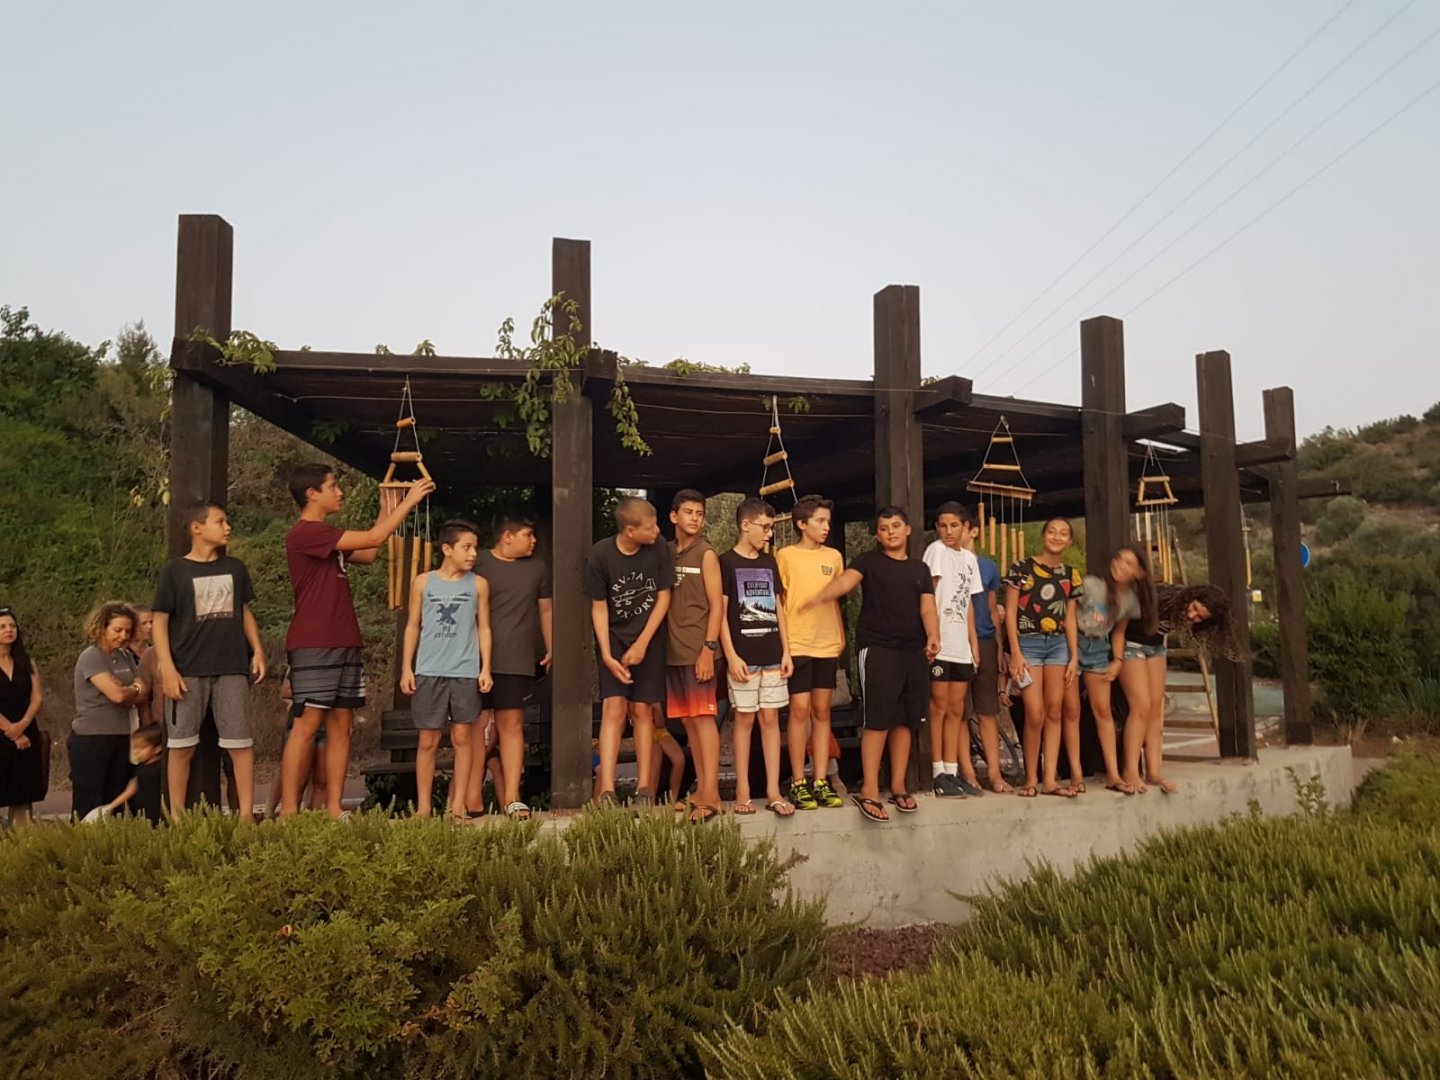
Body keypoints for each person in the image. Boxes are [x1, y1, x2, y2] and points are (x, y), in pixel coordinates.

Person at [280, 463, 435, 818]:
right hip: (314, 641)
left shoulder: (327, 536)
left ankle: (334, 808)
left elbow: (368, 552)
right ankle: (288, 811)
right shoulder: (306, 532)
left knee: (341, 725)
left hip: (344, 638)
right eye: (332, 486)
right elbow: (373, 539)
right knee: (307, 724)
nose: (340, 492)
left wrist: (386, 508)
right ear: (311, 494)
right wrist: (409, 501)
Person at [800, 507, 939, 823]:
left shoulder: (920, 569)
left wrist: (934, 634)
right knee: (877, 720)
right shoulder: (868, 561)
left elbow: (928, 609)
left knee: (905, 721)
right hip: (877, 649)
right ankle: (869, 790)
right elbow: (845, 582)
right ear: (878, 535)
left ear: (907, 530)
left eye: (896, 526)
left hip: (913, 651)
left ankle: (898, 786)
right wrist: (819, 597)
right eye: (884, 528)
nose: (891, 532)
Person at [152, 502, 266, 821]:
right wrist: (168, 668)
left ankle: (245, 816)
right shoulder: (174, 570)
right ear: (197, 528)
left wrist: (257, 650)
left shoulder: (235, 568)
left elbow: (244, 611)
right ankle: (177, 819)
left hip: (232, 667)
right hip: (187, 670)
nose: (228, 527)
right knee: (182, 745)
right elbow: (160, 620)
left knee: (239, 742)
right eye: (220, 521)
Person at [400, 519, 493, 819]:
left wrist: (486, 668)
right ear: (447, 549)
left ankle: (458, 806)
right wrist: (407, 667)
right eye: (466, 547)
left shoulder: (478, 584)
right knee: (428, 740)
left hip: (465, 670)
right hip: (429, 669)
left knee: (463, 738)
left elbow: (484, 627)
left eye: (475, 548)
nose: (472, 554)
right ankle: (424, 808)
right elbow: (412, 625)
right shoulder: (422, 582)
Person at [585, 496, 673, 807]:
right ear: (630, 531)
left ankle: (644, 788)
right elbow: (598, 607)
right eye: (650, 527)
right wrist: (607, 655)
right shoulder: (600, 555)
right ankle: (607, 789)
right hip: (613, 639)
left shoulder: (659, 548)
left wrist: (642, 644)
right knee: (614, 708)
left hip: (649, 638)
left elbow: (664, 597)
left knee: (642, 710)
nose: (657, 531)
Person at [1117, 577, 1235, 795]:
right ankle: (1130, 770)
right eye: (1194, 608)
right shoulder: (1163, 597)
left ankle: (1154, 770)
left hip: (1155, 647)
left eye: (1199, 617)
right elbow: (1121, 614)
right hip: (1131, 643)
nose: (1192, 616)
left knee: (1155, 708)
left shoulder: (1192, 616)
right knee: (1140, 707)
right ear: (1193, 597)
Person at [471, 512, 551, 821]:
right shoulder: (477, 561)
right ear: (507, 537)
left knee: (512, 725)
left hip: (517, 657)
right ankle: (470, 796)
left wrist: (552, 646)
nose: (533, 541)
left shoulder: (537, 567)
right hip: (474, 658)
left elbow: (546, 609)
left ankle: (513, 798)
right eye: (527, 535)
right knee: (474, 726)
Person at [719, 498, 795, 817]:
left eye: (771, 528)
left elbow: (778, 608)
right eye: (764, 527)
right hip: (742, 657)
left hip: (773, 654)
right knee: (744, 719)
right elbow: (720, 613)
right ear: (745, 525)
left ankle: (774, 791)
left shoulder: (769, 563)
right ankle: (743, 791)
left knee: (771, 719)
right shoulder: (725, 562)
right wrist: (730, 655)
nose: (769, 534)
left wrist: (787, 650)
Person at [1005, 517, 1085, 799]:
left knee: (1054, 710)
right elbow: (1010, 612)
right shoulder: (1021, 568)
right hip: (1028, 644)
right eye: (1052, 531)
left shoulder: (1071, 575)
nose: (1056, 537)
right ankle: (1031, 778)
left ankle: (1050, 779)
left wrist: (1074, 657)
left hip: (1059, 645)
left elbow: (1071, 619)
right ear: (1043, 536)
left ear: (1069, 541)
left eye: (1063, 533)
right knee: (1035, 712)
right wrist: (1015, 652)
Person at [776, 494, 846, 810]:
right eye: (819, 521)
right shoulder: (785, 556)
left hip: (827, 643)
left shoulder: (834, 557)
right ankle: (797, 781)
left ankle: (820, 780)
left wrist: (840, 636)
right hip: (798, 642)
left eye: (827, 521)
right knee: (799, 710)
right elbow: (780, 603)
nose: (826, 527)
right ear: (802, 524)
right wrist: (784, 647)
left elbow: (835, 599)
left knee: (822, 712)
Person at [663, 490, 723, 823]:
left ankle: (711, 795)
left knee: (703, 720)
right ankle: (701, 790)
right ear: (674, 516)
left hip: (699, 650)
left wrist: (708, 649)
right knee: (688, 722)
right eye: (688, 512)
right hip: (673, 652)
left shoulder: (706, 553)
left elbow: (717, 606)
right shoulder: (667, 552)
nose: (695, 519)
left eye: (699, 513)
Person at [923, 502, 983, 798]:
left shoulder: (969, 559)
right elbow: (928, 595)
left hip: (960, 643)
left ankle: (952, 769)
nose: (948, 531)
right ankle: (937, 771)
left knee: (957, 708)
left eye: (954, 525)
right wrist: (931, 634)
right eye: (943, 526)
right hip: (940, 641)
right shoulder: (936, 551)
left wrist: (973, 643)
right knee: (939, 706)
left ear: (966, 527)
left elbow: (967, 601)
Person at [69, 602, 148, 821]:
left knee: (115, 803)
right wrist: (131, 690)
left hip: (123, 736)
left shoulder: (125, 656)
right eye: (117, 630)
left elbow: (143, 691)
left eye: (128, 631)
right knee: (89, 803)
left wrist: (129, 689)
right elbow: (117, 696)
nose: (123, 636)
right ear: (102, 628)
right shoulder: (91, 656)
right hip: (92, 738)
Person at [1076, 547, 1146, 795]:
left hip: (1098, 650)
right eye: (1118, 559)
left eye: (1128, 563)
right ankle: (1072, 774)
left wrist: (1117, 660)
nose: (1119, 565)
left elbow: (1118, 632)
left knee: (1103, 711)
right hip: (1074, 642)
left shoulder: (1130, 601)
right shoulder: (1090, 585)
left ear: (1139, 573)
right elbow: (1067, 613)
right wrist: (1071, 652)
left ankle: (1113, 774)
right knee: (1069, 710)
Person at [962, 512, 1012, 793]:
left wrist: (1000, 645)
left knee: (988, 709)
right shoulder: (943, 562)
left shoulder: (988, 566)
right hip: (956, 643)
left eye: (961, 526)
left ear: (974, 531)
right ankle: (968, 773)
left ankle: (994, 772)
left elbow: (993, 609)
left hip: (985, 639)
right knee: (959, 711)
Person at [0, 607, 46, 826]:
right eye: (2, 627)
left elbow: (37, 697)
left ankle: (23, 840)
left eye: (12, 626)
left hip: (27, 732)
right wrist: (12, 731)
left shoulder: (27, 662)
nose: (9, 630)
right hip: (3, 734)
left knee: (23, 794)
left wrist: (23, 725)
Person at [265, 671, 328, 816]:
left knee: (320, 778)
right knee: (293, 775)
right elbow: (285, 691)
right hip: (301, 718)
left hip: (327, 722)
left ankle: (311, 816)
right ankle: (270, 811)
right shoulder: (300, 664)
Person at [81, 723, 164, 821]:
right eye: (135, 747)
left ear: (157, 748)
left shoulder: (160, 768)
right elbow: (132, 788)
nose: (137, 752)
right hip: (142, 814)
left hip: (158, 812)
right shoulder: (140, 768)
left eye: (142, 747)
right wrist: (110, 807)